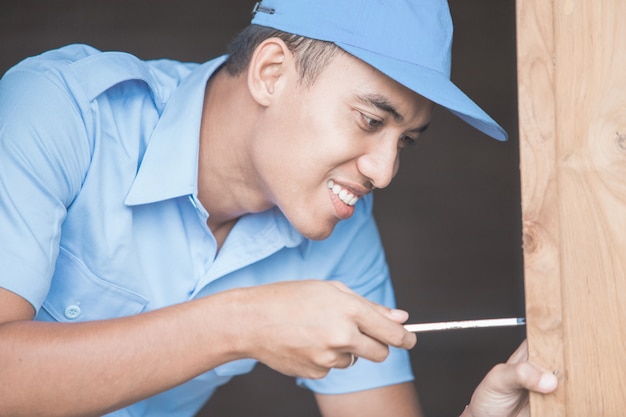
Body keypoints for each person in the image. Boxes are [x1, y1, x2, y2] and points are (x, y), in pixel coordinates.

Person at [0, 0, 557, 416]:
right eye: (370, 120)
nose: (384, 173)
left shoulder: (341, 229)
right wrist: (242, 324)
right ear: (271, 73)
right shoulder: (62, 112)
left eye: (405, 141)